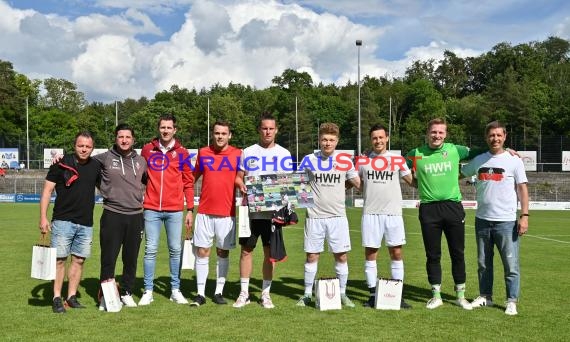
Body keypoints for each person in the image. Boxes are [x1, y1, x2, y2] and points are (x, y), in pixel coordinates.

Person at [405, 117, 480, 310]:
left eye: (441, 132)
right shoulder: (416, 154)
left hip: (453, 207)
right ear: (427, 133)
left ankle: (460, 296)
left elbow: (484, 150)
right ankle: (436, 295)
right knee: (433, 254)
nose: (437, 135)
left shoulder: (455, 150)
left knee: (458, 253)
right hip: (429, 209)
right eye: (433, 132)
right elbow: (398, 165)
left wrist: (506, 150)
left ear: (445, 134)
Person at [461, 121, 529, 316]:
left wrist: (524, 215)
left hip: (506, 222)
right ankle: (485, 296)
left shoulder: (514, 160)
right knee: (483, 263)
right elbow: (458, 174)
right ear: (486, 138)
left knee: (511, 264)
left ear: (505, 137)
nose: (495, 138)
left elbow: (522, 188)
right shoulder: (479, 160)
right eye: (491, 135)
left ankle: (511, 301)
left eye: (499, 135)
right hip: (482, 220)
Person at [296, 123, 360, 308]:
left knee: (341, 256)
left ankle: (342, 294)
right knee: (311, 256)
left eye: (331, 140)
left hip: (337, 217)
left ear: (337, 141)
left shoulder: (345, 160)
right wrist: (302, 204)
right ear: (319, 140)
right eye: (324, 139)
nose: (327, 143)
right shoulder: (308, 159)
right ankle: (307, 294)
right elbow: (299, 183)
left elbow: (355, 182)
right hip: (314, 217)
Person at [234, 112, 292, 309]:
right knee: (246, 251)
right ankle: (244, 293)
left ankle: (265, 294)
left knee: (270, 254)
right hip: (250, 211)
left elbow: (288, 183)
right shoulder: (248, 151)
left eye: (271, 128)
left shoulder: (284, 153)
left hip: (272, 213)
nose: (267, 131)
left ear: (276, 130)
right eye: (264, 128)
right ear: (259, 130)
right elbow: (238, 176)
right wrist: (241, 185)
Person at [39, 131, 101, 313]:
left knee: (79, 260)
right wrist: (43, 217)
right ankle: (57, 297)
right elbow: (47, 192)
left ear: (92, 148)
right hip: (62, 221)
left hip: (86, 222)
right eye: (81, 145)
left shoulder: (96, 166)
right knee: (59, 260)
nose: (84, 149)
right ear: (74, 146)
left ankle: (71, 296)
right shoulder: (61, 163)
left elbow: (105, 187)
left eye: (88, 146)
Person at [356, 124, 413, 309]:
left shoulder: (397, 159)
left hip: (393, 214)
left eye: (381, 137)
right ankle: (372, 295)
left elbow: (411, 181)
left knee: (396, 253)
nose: (378, 141)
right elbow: (354, 181)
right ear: (370, 140)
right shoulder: (363, 161)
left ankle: (398, 295)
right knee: (371, 254)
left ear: (387, 138)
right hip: (371, 213)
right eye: (374, 138)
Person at [139, 114, 194, 306]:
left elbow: (188, 181)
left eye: (169, 127)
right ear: (158, 129)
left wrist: (190, 209)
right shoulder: (147, 150)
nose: (165, 130)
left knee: (175, 250)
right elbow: (139, 175)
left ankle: (175, 289)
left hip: (175, 209)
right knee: (150, 249)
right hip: (151, 208)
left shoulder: (183, 153)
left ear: (175, 130)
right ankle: (148, 290)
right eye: (163, 127)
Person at [95, 124, 147, 309]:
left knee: (131, 259)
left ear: (133, 140)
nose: (124, 140)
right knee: (109, 258)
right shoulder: (104, 158)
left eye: (128, 137)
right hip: (112, 215)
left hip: (135, 216)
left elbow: (149, 183)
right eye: (120, 137)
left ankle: (126, 292)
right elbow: (82, 161)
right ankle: (105, 297)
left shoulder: (141, 161)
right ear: (115, 139)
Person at [189, 120, 241, 307]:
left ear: (230, 135)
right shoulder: (203, 152)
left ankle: (218, 292)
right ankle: (201, 293)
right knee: (202, 252)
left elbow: (240, 178)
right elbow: (192, 178)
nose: (220, 136)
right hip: (204, 211)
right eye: (217, 133)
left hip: (227, 213)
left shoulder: (237, 154)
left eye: (223, 133)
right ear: (213, 134)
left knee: (223, 252)